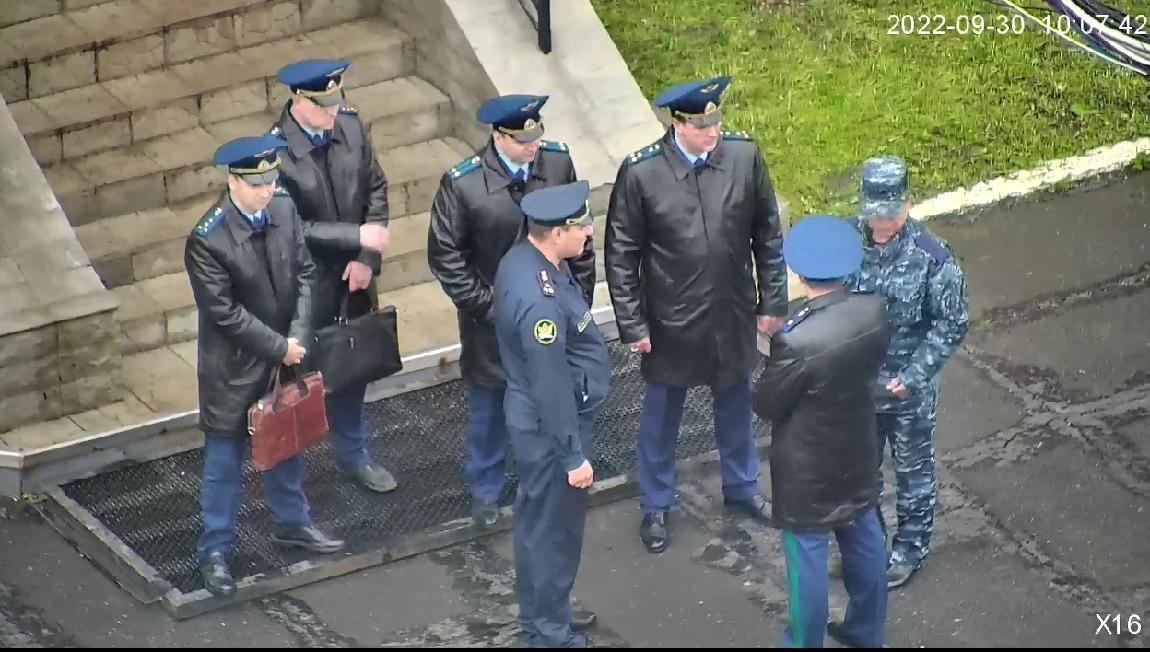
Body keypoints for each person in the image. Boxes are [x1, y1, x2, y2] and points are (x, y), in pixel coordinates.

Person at [604, 76, 788, 553]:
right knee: (661, 416)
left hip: (731, 312)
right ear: (676, 123)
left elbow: (767, 233)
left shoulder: (743, 158)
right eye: (704, 125)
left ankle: (743, 486)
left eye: (717, 121)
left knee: (736, 403)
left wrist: (772, 301)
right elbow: (621, 253)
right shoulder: (641, 173)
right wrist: (632, 324)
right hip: (671, 320)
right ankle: (656, 504)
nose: (715, 132)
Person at [185, 135, 347, 597]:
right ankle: (215, 549)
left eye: (271, 180)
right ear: (233, 180)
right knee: (224, 461)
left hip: (284, 352)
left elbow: (306, 274)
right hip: (233, 368)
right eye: (257, 183)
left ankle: (292, 524)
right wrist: (280, 347)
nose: (266, 190)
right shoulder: (207, 238)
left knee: (286, 442)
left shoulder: (283, 208)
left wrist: (296, 337)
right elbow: (223, 314)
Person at [427, 94, 595, 528]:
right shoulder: (462, 184)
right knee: (491, 408)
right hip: (492, 326)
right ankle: (485, 489)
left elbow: (580, 240)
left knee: (556, 395)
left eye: (537, 136)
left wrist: (579, 303)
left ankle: (553, 473)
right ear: (498, 136)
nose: (534, 146)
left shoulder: (556, 164)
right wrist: (493, 310)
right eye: (523, 140)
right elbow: (447, 258)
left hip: (553, 317)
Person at [753, 216, 891, 648]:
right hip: (857, 449)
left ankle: (802, 643)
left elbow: (768, 403)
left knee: (807, 564)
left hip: (807, 470)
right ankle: (866, 632)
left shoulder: (796, 340)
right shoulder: (874, 310)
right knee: (866, 540)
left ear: (799, 273)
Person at [269, 58, 397, 493]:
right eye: (322, 107)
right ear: (296, 100)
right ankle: (294, 479)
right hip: (304, 285)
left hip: (352, 276)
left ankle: (353, 455)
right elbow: (290, 229)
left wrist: (365, 256)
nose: (331, 115)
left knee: (351, 370)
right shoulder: (273, 154)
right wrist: (354, 235)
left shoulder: (351, 126)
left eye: (334, 104)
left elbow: (375, 190)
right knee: (297, 382)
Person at [493, 181, 609, 648]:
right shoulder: (538, 300)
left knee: (542, 526)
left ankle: (549, 614)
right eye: (580, 226)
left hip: (543, 425)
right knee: (552, 533)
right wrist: (572, 456)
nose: (588, 232)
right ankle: (548, 635)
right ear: (555, 233)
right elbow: (550, 384)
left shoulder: (527, 260)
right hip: (550, 432)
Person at [846, 156, 970, 589]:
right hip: (858, 386)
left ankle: (909, 549)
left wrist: (913, 377)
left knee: (912, 474)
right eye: (873, 214)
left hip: (905, 391)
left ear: (909, 204)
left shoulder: (932, 258)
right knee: (859, 472)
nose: (880, 224)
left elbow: (952, 323)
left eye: (890, 214)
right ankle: (868, 546)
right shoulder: (845, 243)